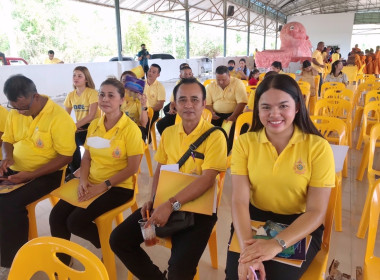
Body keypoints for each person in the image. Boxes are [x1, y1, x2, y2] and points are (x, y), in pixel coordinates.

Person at [110, 78, 227, 280]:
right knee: (118, 239)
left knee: (180, 270)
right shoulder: (169, 133)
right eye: (182, 100)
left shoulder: (216, 135)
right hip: (166, 201)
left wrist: (170, 205)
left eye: (194, 99)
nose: (188, 105)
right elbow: (161, 168)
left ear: (203, 103)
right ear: (174, 104)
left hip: (199, 210)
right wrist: (155, 199)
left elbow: (207, 180)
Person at [225, 74, 335, 280]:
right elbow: (239, 201)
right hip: (254, 219)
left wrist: (276, 244)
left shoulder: (318, 147)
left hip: (299, 224)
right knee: (239, 276)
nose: (274, 114)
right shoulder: (244, 143)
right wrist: (249, 254)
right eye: (266, 107)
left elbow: (316, 212)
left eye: (283, 106)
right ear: (258, 109)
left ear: (297, 107)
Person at [49, 77, 143, 265]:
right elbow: (87, 157)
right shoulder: (94, 125)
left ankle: (110, 245)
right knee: (56, 216)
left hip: (118, 186)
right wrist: (83, 180)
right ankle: (63, 263)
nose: (105, 99)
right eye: (101, 94)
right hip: (91, 181)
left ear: (122, 100)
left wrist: (104, 186)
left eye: (111, 95)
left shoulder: (130, 129)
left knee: (75, 222)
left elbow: (132, 167)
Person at [0, 75, 76, 276]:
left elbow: (66, 157)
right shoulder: (17, 112)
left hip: (47, 174)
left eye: (23, 107)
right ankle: (4, 246)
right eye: (14, 107)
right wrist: (6, 158)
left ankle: (13, 261)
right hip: (17, 168)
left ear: (35, 96)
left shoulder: (59, 118)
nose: (20, 112)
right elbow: (7, 139)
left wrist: (30, 175)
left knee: (9, 203)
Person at [64, 66, 100, 176]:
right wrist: (71, 126)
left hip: (94, 127)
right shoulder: (71, 95)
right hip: (80, 127)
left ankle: (78, 171)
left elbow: (91, 115)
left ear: (86, 79)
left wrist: (75, 126)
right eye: (74, 75)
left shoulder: (92, 93)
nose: (76, 78)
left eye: (80, 76)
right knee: (67, 140)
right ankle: (75, 169)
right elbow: (65, 116)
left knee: (73, 138)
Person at [206, 65, 248, 150]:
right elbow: (207, 104)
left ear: (229, 76)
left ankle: (228, 152)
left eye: (223, 79)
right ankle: (213, 151)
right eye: (218, 80)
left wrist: (234, 115)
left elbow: (242, 102)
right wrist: (212, 113)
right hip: (216, 115)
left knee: (233, 133)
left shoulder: (238, 83)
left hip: (234, 114)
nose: (221, 82)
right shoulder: (210, 86)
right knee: (208, 132)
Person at [156, 65, 194, 135]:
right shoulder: (178, 87)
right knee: (160, 123)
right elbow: (173, 101)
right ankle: (171, 140)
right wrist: (171, 109)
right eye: (185, 74)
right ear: (181, 76)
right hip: (178, 110)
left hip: (189, 112)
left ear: (192, 74)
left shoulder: (196, 87)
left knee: (163, 123)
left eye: (190, 74)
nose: (188, 76)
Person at [120, 71, 149, 141]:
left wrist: (143, 104)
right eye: (124, 81)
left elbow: (143, 123)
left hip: (136, 129)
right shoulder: (117, 98)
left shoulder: (140, 99)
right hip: (120, 128)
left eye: (130, 81)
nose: (126, 84)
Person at [144, 64, 166, 139]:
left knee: (145, 121)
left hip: (153, 111)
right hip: (141, 109)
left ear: (158, 75)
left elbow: (160, 105)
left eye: (154, 72)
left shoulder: (160, 87)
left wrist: (148, 110)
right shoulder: (141, 84)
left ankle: (145, 140)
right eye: (149, 70)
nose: (150, 73)